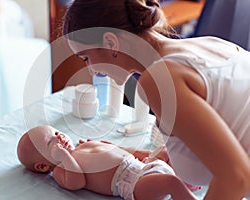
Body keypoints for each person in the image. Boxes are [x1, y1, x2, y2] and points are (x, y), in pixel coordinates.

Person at [60, 0, 250, 199]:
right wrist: (124, 152)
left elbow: (236, 177)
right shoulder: (211, 44)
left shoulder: (159, 80)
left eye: (86, 58)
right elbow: (221, 131)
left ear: (110, 43)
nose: (91, 70)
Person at [17, 125, 198, 200]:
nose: (60, 138)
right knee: (170, 182)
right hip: (135, 184)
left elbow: (122, 151)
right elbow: (76, 182)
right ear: (43, 166)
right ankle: (185, 190)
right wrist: (65, 157)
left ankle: (189, 180)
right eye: (51, 142)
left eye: (57, 132)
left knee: (167, 151)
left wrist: (150, 154)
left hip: (143, 164)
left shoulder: (83, 146)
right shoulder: (61, 170)